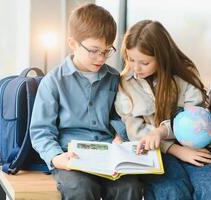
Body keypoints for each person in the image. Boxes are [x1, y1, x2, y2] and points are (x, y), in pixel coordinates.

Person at [30, 4, 142, 200]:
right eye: (94, 50)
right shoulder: (54, 81)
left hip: (109, 155)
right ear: (73, 43)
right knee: (80, 188)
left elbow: (121, 115)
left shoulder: (114, 78)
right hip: (71, 156)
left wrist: (119, 134)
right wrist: (56, 157)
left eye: (107, 51)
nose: (101, 57)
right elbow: (41, 131)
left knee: (129, 186)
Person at [114, 20, 211, 200]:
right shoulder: (125, 83)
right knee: (170, 191)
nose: (136, 68)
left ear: (161, 57)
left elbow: (197, 118)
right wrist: (175, 149)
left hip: (195, 145)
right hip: (156, 152)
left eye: (144, 62)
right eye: (130, 59)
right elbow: (135, 131)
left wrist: (162, 131)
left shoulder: (184, 75)